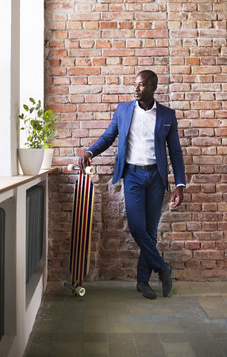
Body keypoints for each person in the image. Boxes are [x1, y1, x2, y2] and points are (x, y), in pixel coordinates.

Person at [78, 69, 185, 299]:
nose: (136, 88)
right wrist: (90, 151)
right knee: (137, 228)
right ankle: (163, 268)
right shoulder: (124, 110)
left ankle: (143, 281)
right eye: (135, 84)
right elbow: (108, 137)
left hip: (156, 177)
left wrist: (180, 184)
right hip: (133, 176)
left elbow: (175, 152)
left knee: (150, 230)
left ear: (154, 88)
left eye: (142, 85)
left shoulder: (167, 115)